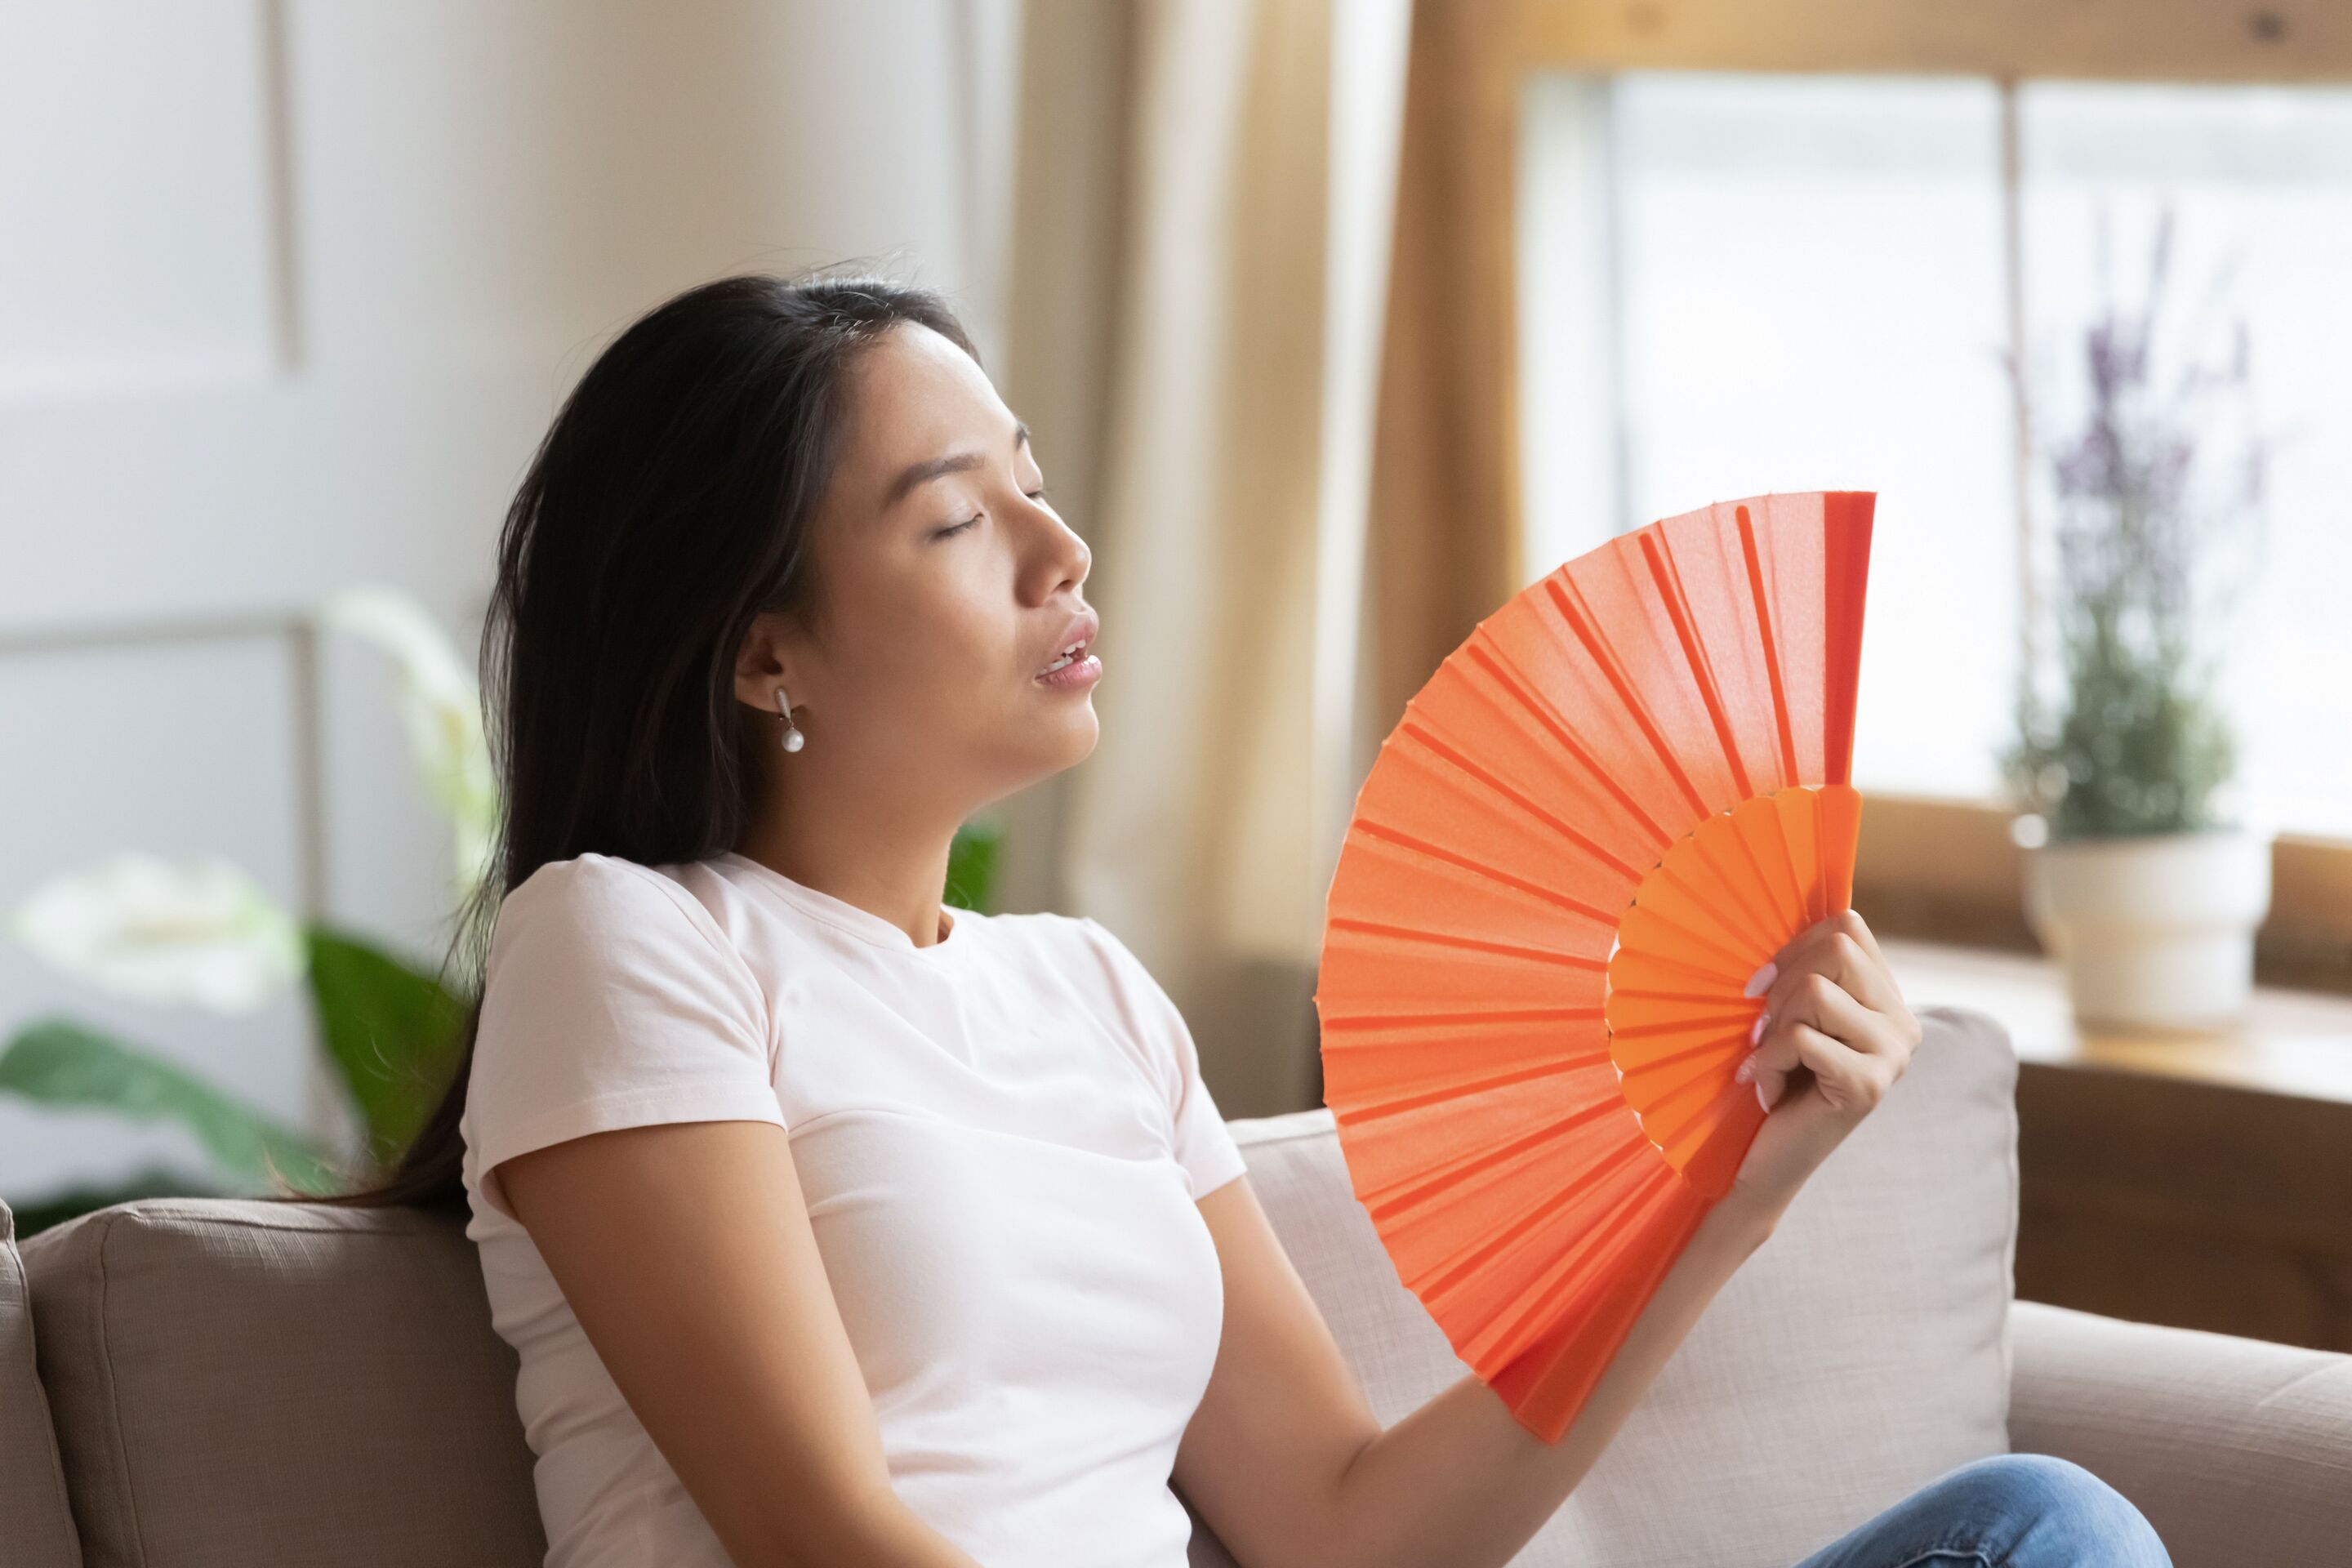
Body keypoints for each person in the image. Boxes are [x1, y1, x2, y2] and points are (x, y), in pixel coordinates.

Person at [325, 270, 2172, 1568]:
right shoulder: (632, 946)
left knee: (2047, 1532)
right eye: (960, 522)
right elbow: (828, 1535)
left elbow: (1348, 1527)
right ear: (763, 651)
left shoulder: (1096, 1001)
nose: (1067, 555)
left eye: (1039, 488)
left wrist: (1718, 1196)